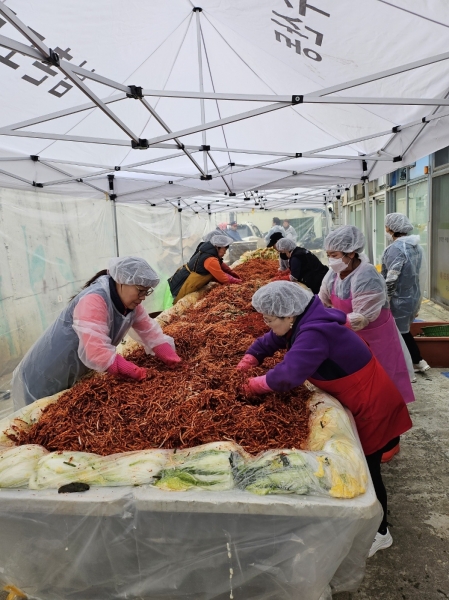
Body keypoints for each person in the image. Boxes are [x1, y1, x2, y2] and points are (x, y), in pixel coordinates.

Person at [236, 281, 412, 558]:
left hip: (369, 403)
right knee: (365, 462)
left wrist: (254, 385)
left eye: (269, 319)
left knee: (368, 469)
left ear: (288, 315)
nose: (266, 324)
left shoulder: (314, 331)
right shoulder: (305, 317)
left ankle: (380, 532)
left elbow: (288, 375)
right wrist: (251, 356)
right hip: (359, 396)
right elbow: (273, 338)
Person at [11, 256, 182, 411]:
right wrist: (133, 371)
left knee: (62, 405)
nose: (143, 297)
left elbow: (149, 331)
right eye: (140, 290)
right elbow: (96, 351)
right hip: (46, 371)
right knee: (38, 413)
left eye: (147, 292)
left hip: (74, 369)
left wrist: (171, 357)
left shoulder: (130, 305)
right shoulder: (94, 300)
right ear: (122, 281)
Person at [319, 226, 414, 426]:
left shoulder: (367, 275)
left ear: (351, 253)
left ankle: (389, 430)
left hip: (376, 337)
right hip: (350, 337)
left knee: (383, 384)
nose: (331, 260)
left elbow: (361, 318)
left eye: (334, 255)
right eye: (328, 255)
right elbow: (322, 301)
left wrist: (329, 325)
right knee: (361, 386)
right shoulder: (333, 274)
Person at [382, 213, 430, 374]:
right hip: (412, 296)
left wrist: (385, 300)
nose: (385, 230)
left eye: (386, 227)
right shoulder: (416, 246)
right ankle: (415, 361)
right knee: (401, 330)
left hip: (398, 299)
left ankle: (416, 361)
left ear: (391, 229)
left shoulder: (395, 249)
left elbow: (391, 278)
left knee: (399, 333)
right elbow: (421, 274)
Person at [168, 235, 242, 303]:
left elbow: (221, 265)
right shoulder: (210, 259)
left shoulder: (208, 251)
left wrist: (233, 273)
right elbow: (223, 278)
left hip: (182, 279)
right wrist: (238, 282)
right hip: (181, 285)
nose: (225, 253)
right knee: (174, 304)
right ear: (217, 247)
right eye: (224, 250)